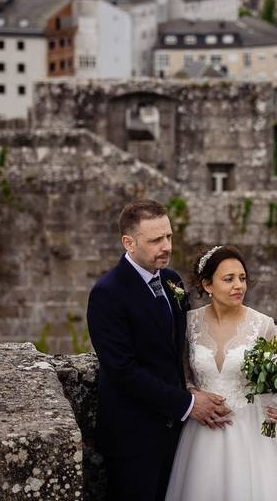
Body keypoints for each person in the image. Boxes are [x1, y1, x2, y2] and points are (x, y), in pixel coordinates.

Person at [87, 199, 232, 501]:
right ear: (128, 242)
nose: (166, 246)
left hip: (177, 435)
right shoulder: (107, 293)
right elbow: (123, 371)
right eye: (155, 240)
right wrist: (188, 404)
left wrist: (192, 386)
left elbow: (179, 349)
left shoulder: (171, 280)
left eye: (168, 236)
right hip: (133, 438)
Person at [165, 244, 277, 501]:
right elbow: (184, 373)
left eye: (242, 278)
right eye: (229, 279)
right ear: (208, 285)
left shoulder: (263, 325)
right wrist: (192, 392)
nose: (239, 286)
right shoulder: (189, 323)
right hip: (202, 430)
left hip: (251, 433)